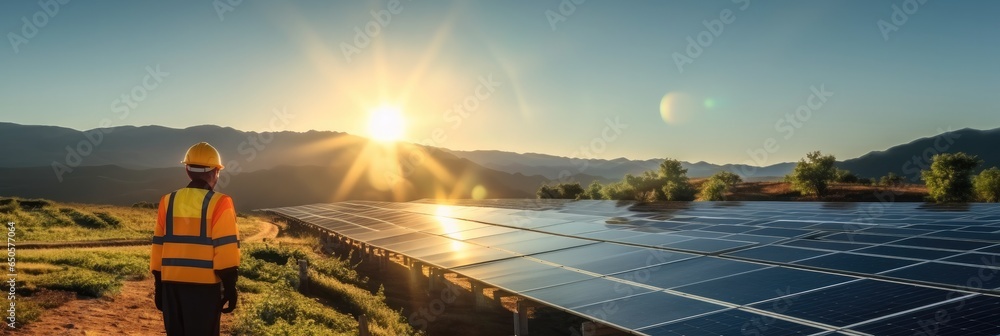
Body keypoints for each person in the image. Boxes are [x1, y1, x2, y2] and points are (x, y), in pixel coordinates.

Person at [150, 142, 240, 335]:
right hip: (204, 289)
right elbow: (226, 248)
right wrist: (230, 287)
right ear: (215, 172)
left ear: (187, 170)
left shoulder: (168, 201)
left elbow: (158, 246)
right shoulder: (220, 203)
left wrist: (159, 284)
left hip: (171, 286)